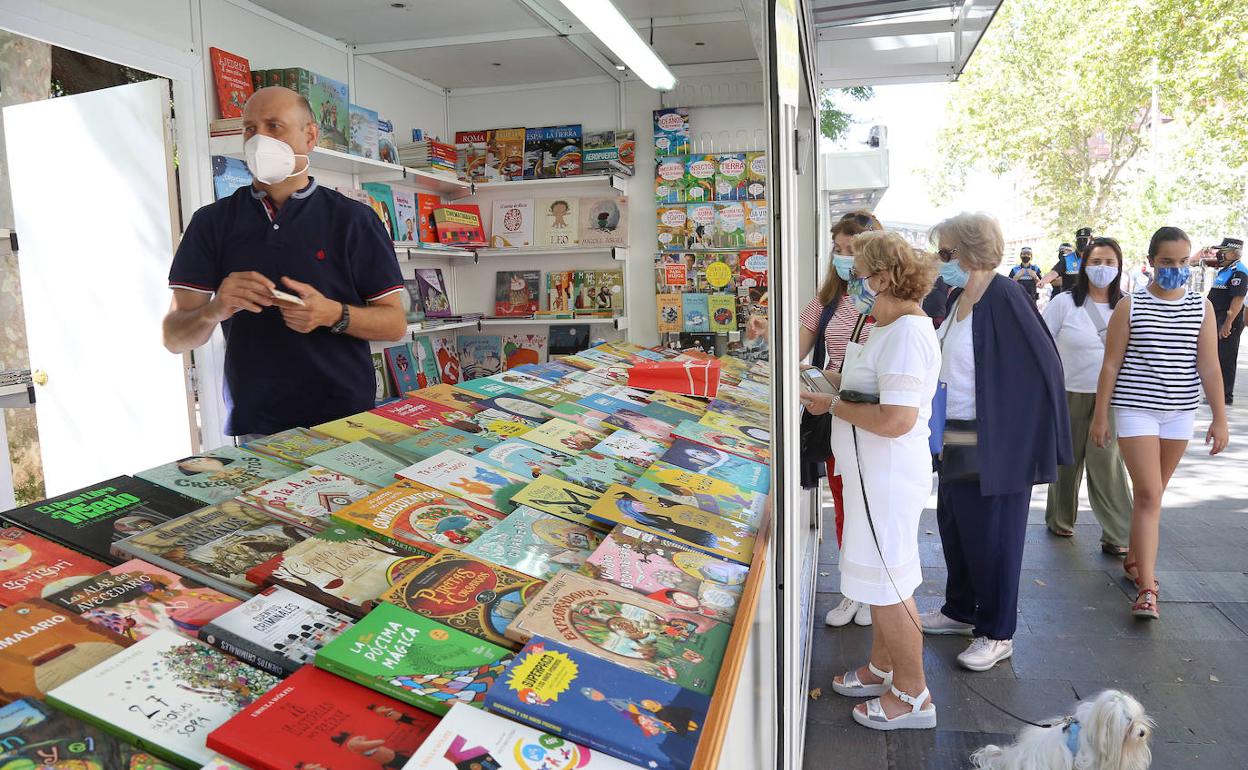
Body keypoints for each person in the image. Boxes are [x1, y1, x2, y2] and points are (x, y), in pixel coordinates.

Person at [162, 87, 407, 441]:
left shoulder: (354, 220)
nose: (259, 140)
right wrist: (215, 310)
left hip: (346, 419)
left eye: (274, 126)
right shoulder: (211, 223)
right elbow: (173, 337)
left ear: (310, 136)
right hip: (257, 424)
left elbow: (394, 323)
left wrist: (333, 314)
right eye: (249, 128)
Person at [919, 212, 1071, 672]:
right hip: (958, 431)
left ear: (969, 252)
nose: (940, 261)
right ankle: (961, 609)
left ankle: (997, 631)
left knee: (995, 537)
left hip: (997, 439)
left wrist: (1025, 436)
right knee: (957, 525)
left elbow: (1045, 367)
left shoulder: (1005, 295)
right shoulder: (960, 296)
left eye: (945, 253)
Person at [801, 231, 940, 731]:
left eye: (860, 275)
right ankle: (884, 666)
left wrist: (832, 404)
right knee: (878, 581)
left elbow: (897, 418)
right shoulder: (885, 327)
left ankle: (913, 691)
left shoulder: (905, 334)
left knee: (891, 585)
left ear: (882, 277)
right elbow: (866, 386)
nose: (853, 283)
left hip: (883, 478)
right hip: (864, 475)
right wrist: (828, 387)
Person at [1091, 226, 1229, 620]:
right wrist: (1101, 415)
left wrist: (1220, 418)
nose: (1175, 269)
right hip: (1136, 409)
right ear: (1150, 262)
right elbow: (1111, 364)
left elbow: (1209, 365)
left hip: (1180, 413)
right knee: (1149, 493)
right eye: (1167, 262)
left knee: (1154, 494)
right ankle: (1148, 588)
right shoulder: (1129, 306)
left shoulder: (1201, 307)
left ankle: (1136, 559)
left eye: (1183, 262)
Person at [797, 210, 881, 628]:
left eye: (854, 250)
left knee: (873, 506)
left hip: (876, 418)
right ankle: (853, 588)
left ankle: (873, 590)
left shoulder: (889, 301)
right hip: (834, 414)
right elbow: (796, 339)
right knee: (844, 501)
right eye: (839, 249)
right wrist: (764, 329)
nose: (846, 258)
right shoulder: (829, 297)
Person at [1041, 237, 1133, 555]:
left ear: (1119, 267)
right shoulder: (1064, 303)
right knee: (1067, 460)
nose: (1102, 268)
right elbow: (1042, 343)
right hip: (1068, 392)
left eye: (1109, 262)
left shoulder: (1128, 304)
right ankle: (1060, 518)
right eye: (1096, 262)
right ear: (1083, 265)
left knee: (1106, 462)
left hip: (1111, 398)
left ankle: (1119, 533)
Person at [1205, 237, 1246, 405]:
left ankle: (1224, 396)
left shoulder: (1239, 271)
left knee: (1226, 357)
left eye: (1223, 251)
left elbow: (1238, 299)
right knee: (1218, 356)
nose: (1220, 254)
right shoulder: (1226, 269)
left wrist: (1227, 323)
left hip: (1228, 319)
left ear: (1234, 253)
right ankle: (1217, 394)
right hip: (1218, 317)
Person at [1039, 228, 1092, 296]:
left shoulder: (1095, 258)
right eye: (1079, 240)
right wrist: (1043, 281)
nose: (1082, 242)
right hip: (1070, 299)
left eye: (1085, 239)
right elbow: (1053, 273)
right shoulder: (1067, 259)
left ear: (1090, 240)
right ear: (1076, 241)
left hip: (1089, 298)